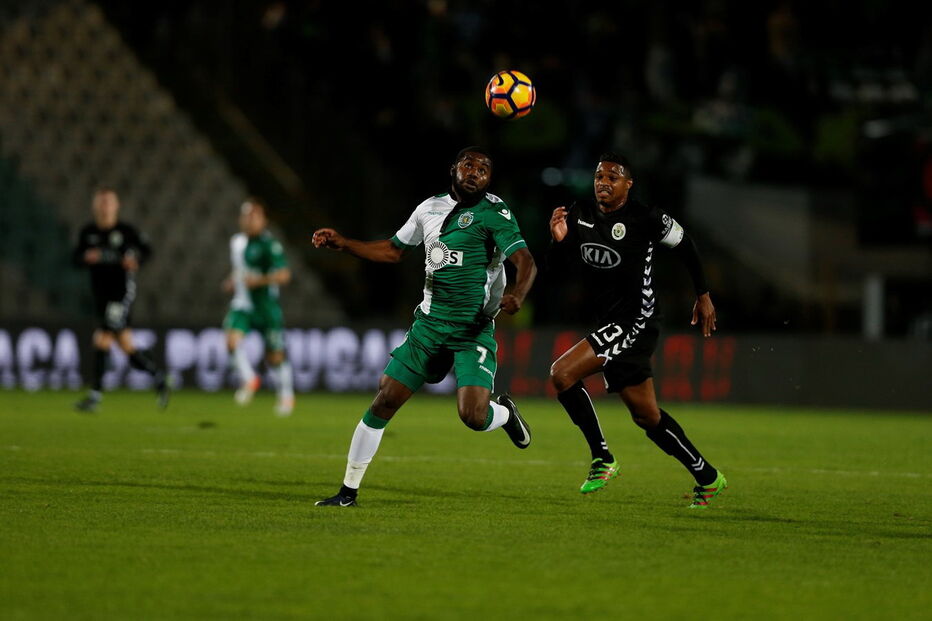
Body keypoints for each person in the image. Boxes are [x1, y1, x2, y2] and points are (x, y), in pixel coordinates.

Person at [312, 146, 537, 507]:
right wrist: (345, 244)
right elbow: (393, 250)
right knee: (385, 398)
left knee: (473, 415)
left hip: (472, 329)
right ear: (455, 169)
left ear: (489, 179)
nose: (476, 171)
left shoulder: (496, 213)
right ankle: (347, 492)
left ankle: (506, 415)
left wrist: (518, 294)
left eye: (484, 168)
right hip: (429, 325)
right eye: (469, 164)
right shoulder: (428, 208)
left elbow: (525, 261)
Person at [548, 152, 726, 508]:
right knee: (647, 416)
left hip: (636, 321)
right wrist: (558, 239)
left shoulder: (648, 218)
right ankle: (707, 476)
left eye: (613, 177)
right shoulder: (578, 213)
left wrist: (703, 295)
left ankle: (602, 458)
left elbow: (687, 246)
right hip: (609, 320)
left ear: (628, 185)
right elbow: (565, 265)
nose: (603, 182)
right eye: (599, 176)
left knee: (562, 373)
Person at [73, 188, 170, 412]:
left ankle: (95, 396)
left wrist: (135, 260)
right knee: (126, 346)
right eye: (101, 202)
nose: (105, 207)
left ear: (116, 206)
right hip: (100, 296)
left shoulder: (126, 232)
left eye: (109, 202)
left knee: (102, 339)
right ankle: (158, 377)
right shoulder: (88, 233)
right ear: (95, 206)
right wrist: (86, 257)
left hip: (121, 293)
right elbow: (75, 258)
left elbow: (146, 251)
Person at [222, 198, 294, 416]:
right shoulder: (236, 243)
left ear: (263, 220)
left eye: (254, 216)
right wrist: (232, 280)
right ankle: (249, 379)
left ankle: (286, 395)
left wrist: (260, 280)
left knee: (275, 357)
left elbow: (284, 275)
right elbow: (241, 269)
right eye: (246, 216)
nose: (250, 220)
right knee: (231, 341)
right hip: (243, 305)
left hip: (266, 308)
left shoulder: (269, 245)